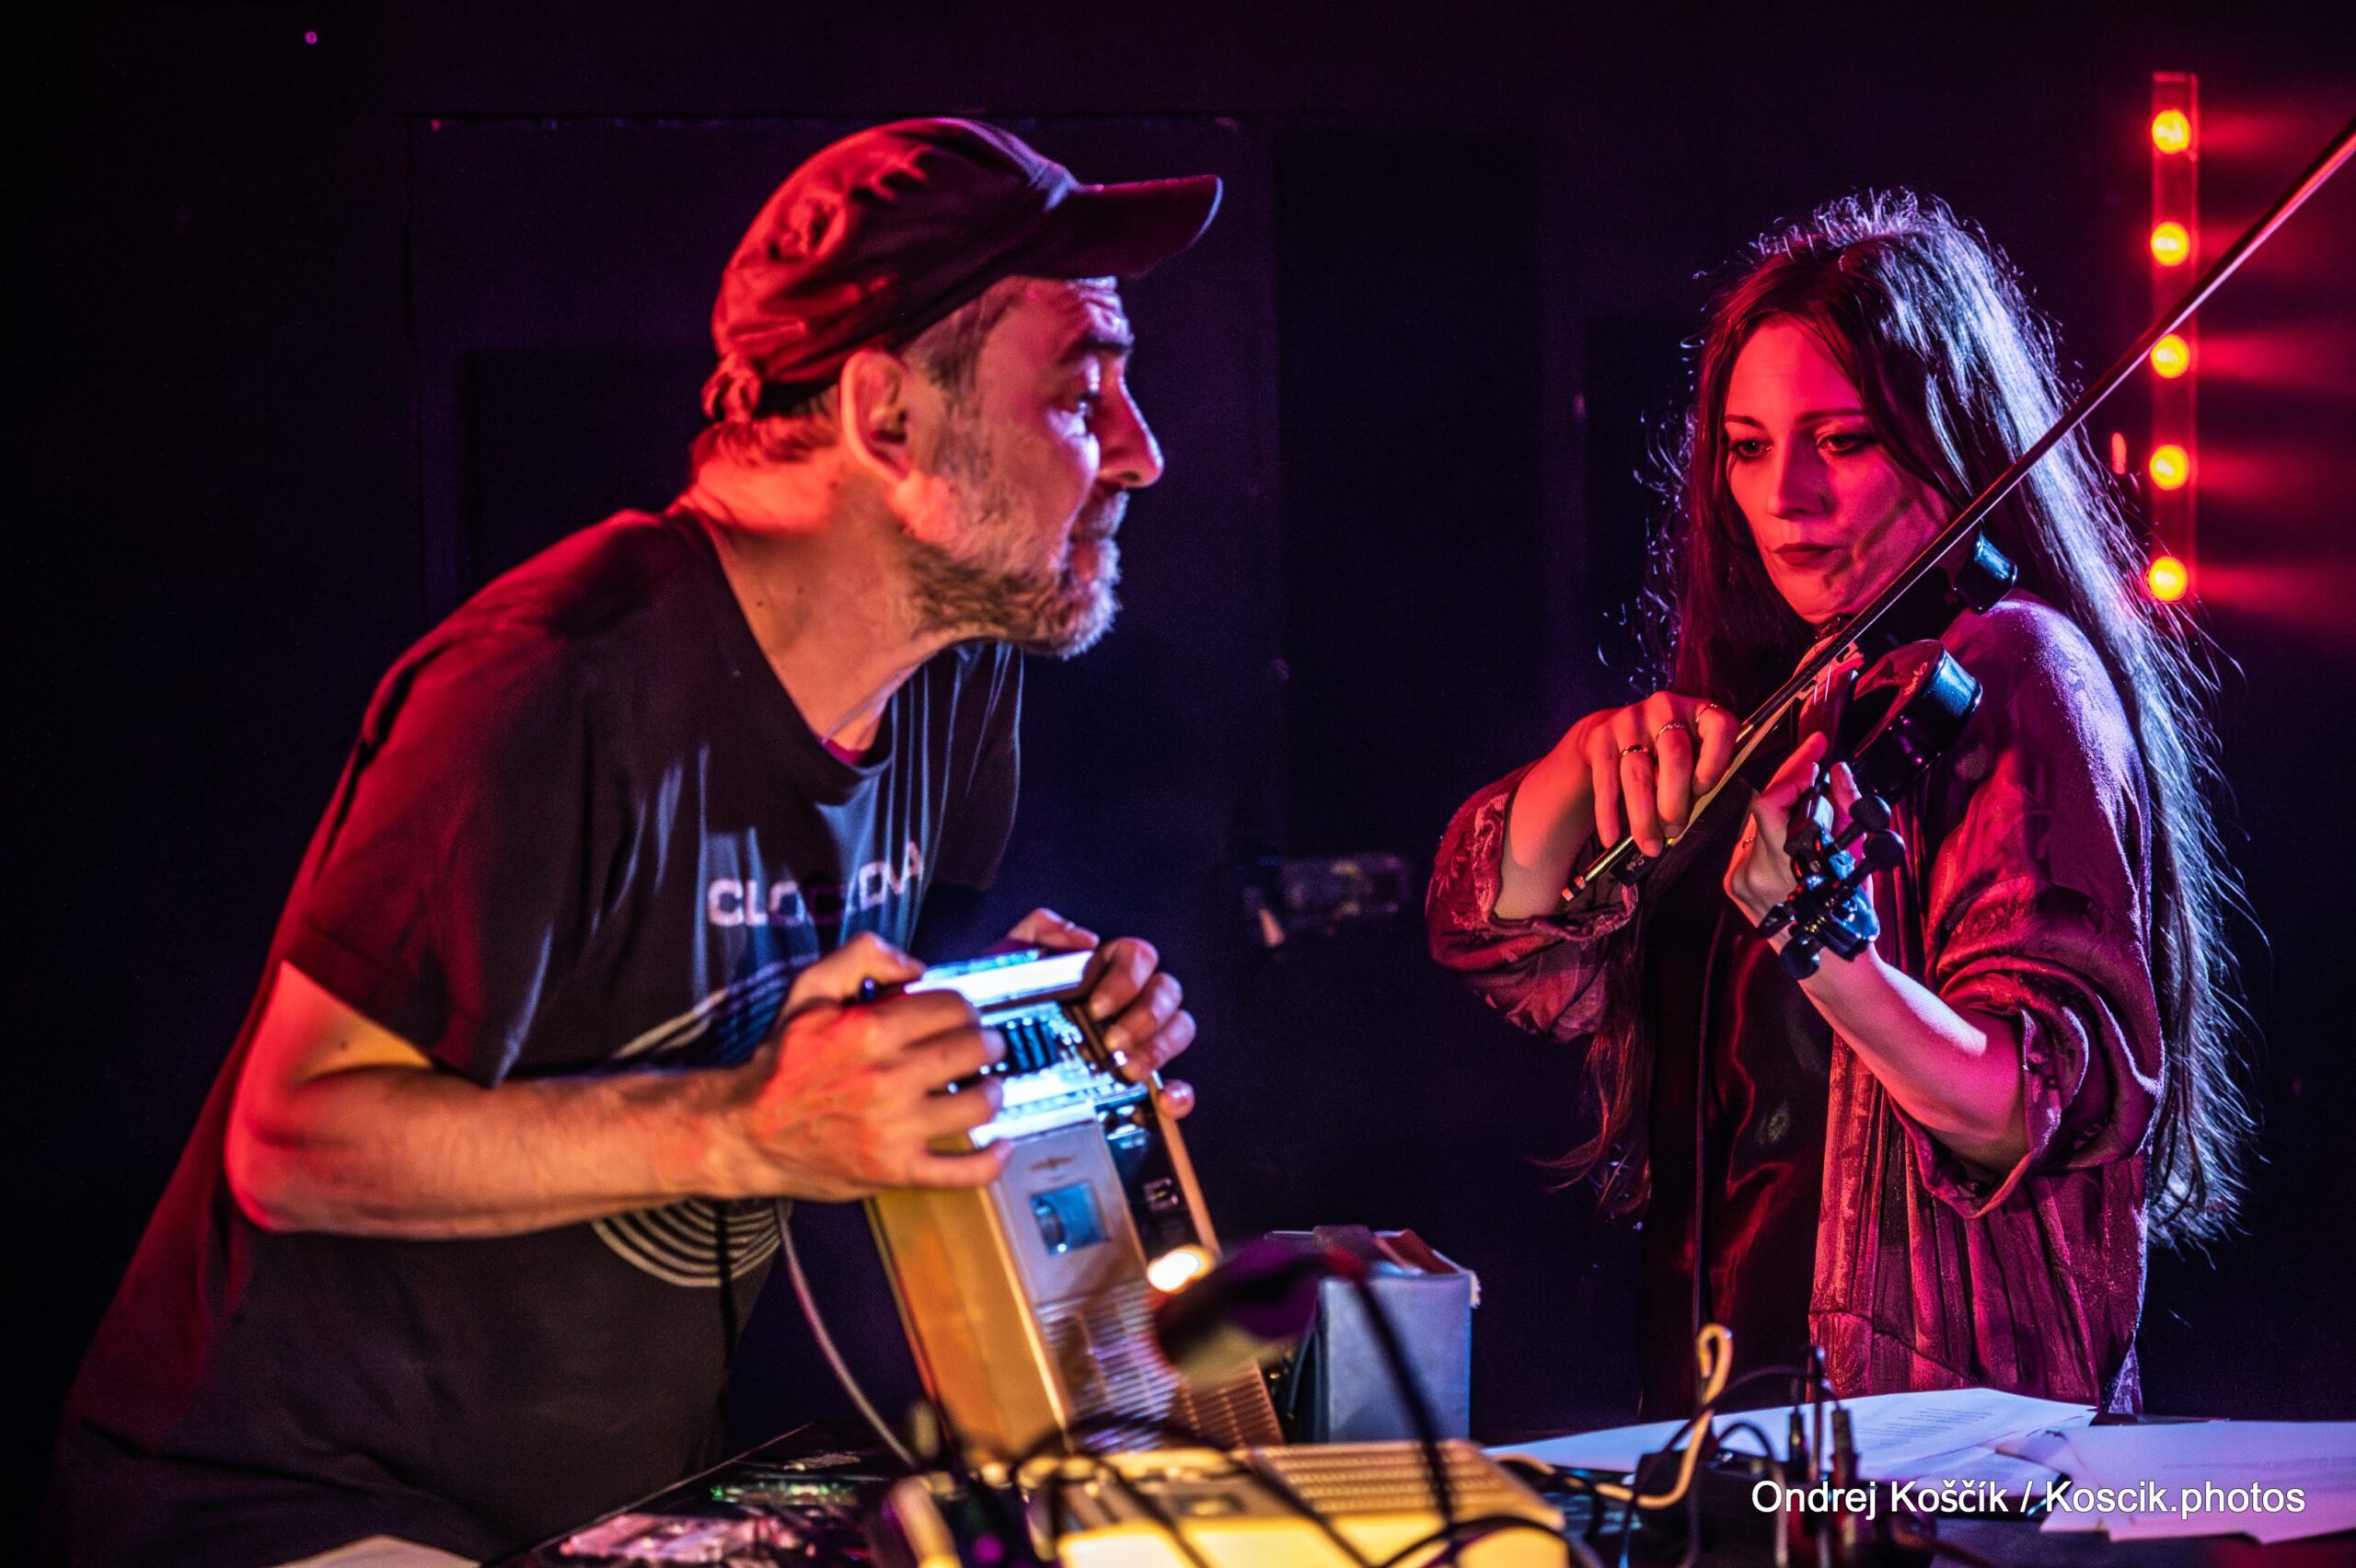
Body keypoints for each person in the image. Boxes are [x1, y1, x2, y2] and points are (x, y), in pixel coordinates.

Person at [46, 120, 1222, 1568]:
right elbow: (292, 1140)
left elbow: (838, 1011)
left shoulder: (953, 681)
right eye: (1081, 392)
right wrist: (748, 1128)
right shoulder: (550, 683)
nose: (1141, 455)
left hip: (603, 1508)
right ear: (888, 416)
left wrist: (1032, 1027)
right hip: (282, 1506)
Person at [1426, 193, 2249, 1416]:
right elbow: (1513, 958)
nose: (1785, 498)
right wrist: (1567, 781)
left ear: (1951, 437)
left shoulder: (2016, 668)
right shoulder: (1796, 698)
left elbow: (2034, 1103)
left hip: (1935, 1450)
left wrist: (1824, 944)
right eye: (1747, 448)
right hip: (1723, 1415)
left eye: (1843, 440)